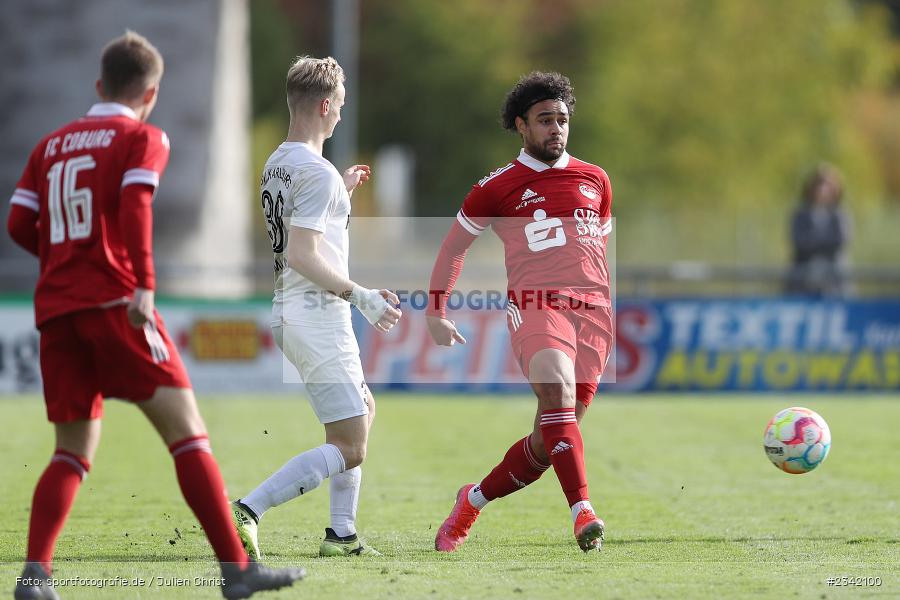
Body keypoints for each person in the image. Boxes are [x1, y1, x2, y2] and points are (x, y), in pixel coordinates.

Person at [6, 31, 304, 600]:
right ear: (152, 93)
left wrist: (65, 260)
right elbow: (136, 203)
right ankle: (237, 571)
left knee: (70, 450)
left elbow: (20, 225)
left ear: (99, 85)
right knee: (188, 435)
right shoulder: (142, 136)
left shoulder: (50, 145)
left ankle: (35, 575)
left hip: (57, 313)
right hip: (118, 303)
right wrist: (143, 281)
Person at [426, 71, 614, 553]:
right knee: (557, 393)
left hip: (593, 314)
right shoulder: (498, 186)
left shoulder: (596, 179)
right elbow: (452, 250)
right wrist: (437, 309)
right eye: (545, 120)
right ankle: (582, 511)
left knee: (547, 443)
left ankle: (471, 500)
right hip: (536, 305)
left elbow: (596, 248)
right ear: (521, 126)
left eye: (563, 119)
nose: (556, 128)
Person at [230, 56, 401, 560]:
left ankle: (341, 535)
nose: (342, 116)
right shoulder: (317, 172)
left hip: (294, 312)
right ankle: (246, 510)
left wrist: (339, 194)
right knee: (351, 444)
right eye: (341, 106)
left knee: (363, 411)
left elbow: (304, 229)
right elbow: (303, 253)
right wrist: (363, 296)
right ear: (326, 105)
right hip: (316, 316)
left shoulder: (278, 162)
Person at [786, 163, 852, 297]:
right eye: (819, 185)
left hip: (834, 280)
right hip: (803, 279)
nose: (822, 190)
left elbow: (841, 241)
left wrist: (813, 241)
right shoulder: (800, 214)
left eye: (827, 185)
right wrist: (822, 242)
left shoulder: (840, 214)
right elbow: (798, 241)